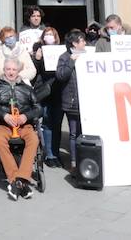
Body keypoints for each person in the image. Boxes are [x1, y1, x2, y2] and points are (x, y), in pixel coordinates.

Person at [0, 56, 43, 201]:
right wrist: (3, 115)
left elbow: (38, 108)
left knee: (33, 139)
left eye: (14, 69)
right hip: (4, 125)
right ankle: (18, 180)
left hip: (23, 124)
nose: (11, 72)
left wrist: (25, 116)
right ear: (3, 70)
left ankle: (18, 180)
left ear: (18, 71)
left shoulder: (26, 88)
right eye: (8, 69)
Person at [31, 25, 63, 166]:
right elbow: (33, 73)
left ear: (55, 37)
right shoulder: (38, 50)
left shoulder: (62, 50)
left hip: (58, 91)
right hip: (44, 91)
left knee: (56, 124)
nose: (49, 36)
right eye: (46, 34)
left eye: (51, 34)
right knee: (47, 124)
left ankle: (56, 153)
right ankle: (49, 154)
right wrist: (37, 59)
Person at [54, 29, 86, 170]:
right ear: (74, 43)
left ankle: (86, 160)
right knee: (74, 133)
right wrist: (71, 62)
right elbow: (61, 75)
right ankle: (74, 162)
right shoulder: (65, 57)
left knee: (84, 133)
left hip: (87, 101)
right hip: (72, 101)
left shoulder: (88, 55)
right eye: (82, 40)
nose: (85, 43)